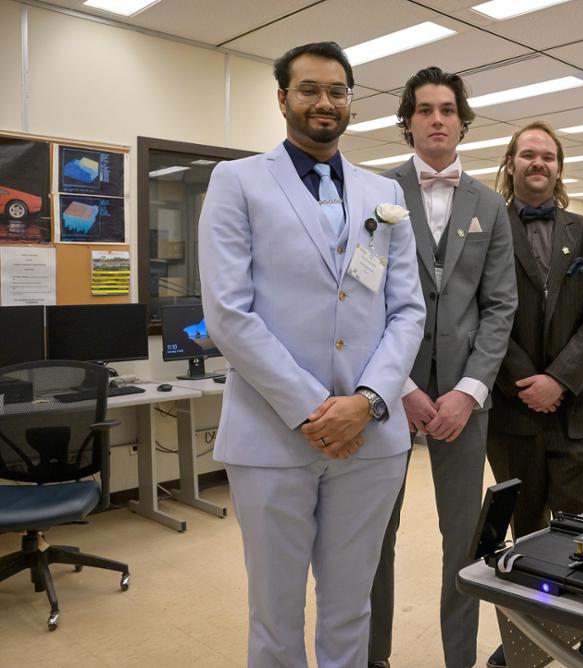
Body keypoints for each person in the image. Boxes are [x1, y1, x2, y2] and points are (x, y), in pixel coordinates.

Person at [198, 42, 426, 668]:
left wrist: (368, 401)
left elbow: (407, 311)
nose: (325, 102)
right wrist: (312, 411)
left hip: (372, 440)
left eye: (338, 90)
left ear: (351, 100)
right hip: (272, 437)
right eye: (309, 90)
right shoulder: (237, 182)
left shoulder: (384, 194)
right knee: (274, 614)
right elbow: (228, 313)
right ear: (283, 99)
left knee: (351, 606)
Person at [369, 67, 517, 668]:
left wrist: (469, 392)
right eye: (425, 109)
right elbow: (362, 299)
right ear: (408, 121)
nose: (437, 119)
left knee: (463, 540)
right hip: (384, 396)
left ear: (462, 121)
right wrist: (397, 387)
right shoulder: (374, 196)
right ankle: (373, 657)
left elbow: (500, 305)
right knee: (377, 537)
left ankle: (460, 659)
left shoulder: (489, 205)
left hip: (465, 400)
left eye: (447, 109)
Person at [486, 121, 583, 668]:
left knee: (579, 527)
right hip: (513, 413)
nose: (537, 164)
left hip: (576, 412)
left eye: (548, 157)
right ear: (511, 163)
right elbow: (483, 314)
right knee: (526, 532)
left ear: (559, 168)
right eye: (527, 155)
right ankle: (529, 640)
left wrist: (558, 380)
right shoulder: (489, 229)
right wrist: (528, 382)